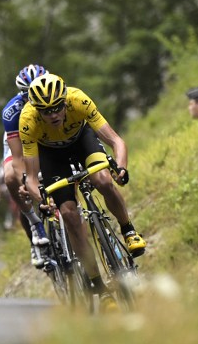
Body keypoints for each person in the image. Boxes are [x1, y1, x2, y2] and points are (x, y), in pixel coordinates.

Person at [19, 73, 147, 311]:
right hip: (50, 156)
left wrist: (121, 168)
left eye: (57, 107)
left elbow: (117, 141)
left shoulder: (78, 100)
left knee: (103, 180)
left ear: (65, 101)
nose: (54, 114)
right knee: (68, 214)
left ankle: (128, 231)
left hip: (81, 142)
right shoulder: (28, 120)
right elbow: (32, 177)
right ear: (37, 110)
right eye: (46, 111)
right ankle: (96, 284)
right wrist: (42, 199)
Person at [0, 63, 50, 267]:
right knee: (11, 176)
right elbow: (17, 157)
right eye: (29, 93)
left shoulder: (57, 97)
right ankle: (34, 223)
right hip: (18, 142)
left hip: (46, 138)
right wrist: (24, 181)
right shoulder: (12, 111)